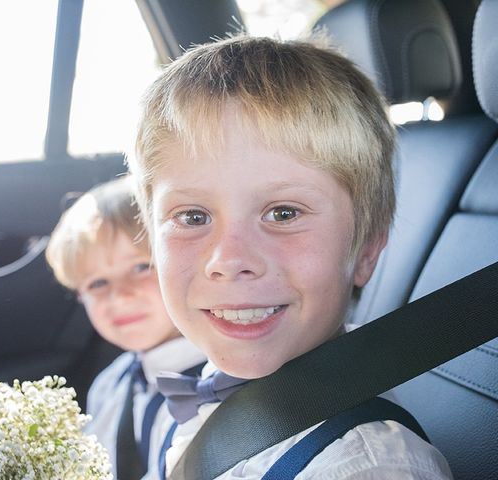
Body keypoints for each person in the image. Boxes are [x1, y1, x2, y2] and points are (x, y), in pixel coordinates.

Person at [126, 35, 453, 479]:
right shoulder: (206, 390)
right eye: (193, 216)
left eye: (283, 213)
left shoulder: (366, 468)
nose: (228, 258)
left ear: (368, 247)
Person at [45, 175, 206, 480]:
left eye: (141, 267)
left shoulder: (221, 387)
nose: (119, 296)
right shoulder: (111, 384)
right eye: (98, 283)